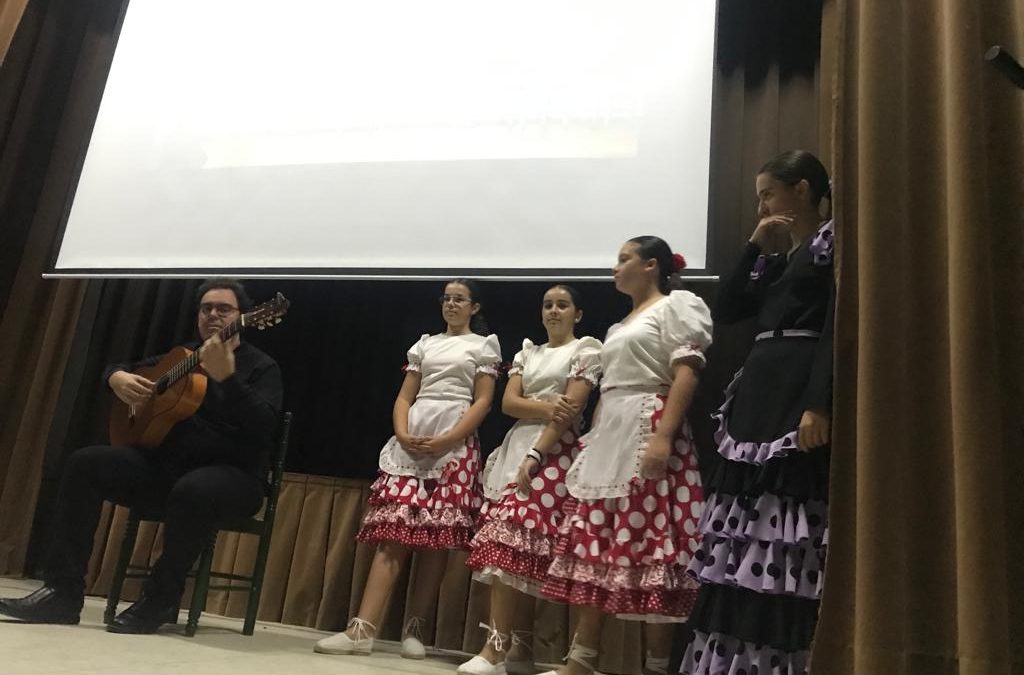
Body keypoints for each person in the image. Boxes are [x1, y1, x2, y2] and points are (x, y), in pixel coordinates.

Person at [0, 278, 283, 634]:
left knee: (194, 489)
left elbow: (263, 427)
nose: (212, 314)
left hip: (233, 477)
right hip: (167, 471)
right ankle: (62, 591)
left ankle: (161, 599)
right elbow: (127, 368)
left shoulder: (261, 367)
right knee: (84, 464)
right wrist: (115, 377)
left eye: (223, 308)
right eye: (206, 308)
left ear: (245, 316)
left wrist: (227, 379)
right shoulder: (181, 355)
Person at [680, 150, 834, 675]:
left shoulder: (829, 244)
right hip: (759, 391)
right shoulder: (781, 258)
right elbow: (726, 308)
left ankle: (778, 658)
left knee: (784, 513)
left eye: (769, 193)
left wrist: (819, 401)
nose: (763, 204)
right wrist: (754, 243)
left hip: (796, 385)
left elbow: (837, 326)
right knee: (743, 522)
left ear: (805, 191)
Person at [540, 237, 713, 675]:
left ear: (651, 265)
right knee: (597, 541)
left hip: (646, 424)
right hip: (611, 432)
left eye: (623, 259)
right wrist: (594, 437)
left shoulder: (675, 307)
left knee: (650, 544)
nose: (614, 268)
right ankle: (581, 660)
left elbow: (686, 372)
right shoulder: (619, 327)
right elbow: (611, 385)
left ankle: (656, 666)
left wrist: (664, 435)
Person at [314, 279, 501, 659]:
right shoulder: (425, 344)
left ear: (475, 307)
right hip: (412, 442)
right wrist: (401, 431)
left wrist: (451, 438)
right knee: (393, 534)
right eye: (446, 298)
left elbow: (482, 402)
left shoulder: (483, 347)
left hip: (453, 443)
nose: (451, 304)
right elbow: (404, 395)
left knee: (435, 540)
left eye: (459, 299)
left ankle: (414, 628)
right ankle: (361, 628)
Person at [459, 285, 602, 675]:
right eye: (548, 305)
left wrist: (540, 448)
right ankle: (512, 647)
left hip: (555, 452)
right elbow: (508, 403)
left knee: (520, 543)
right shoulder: (529, 352)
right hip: (516, 446)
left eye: (562, 305)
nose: (554, 311)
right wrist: (547, 405)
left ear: (578, 313)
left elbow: (570, 411)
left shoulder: (586, 350)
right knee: (511, 548)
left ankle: (499, 647)